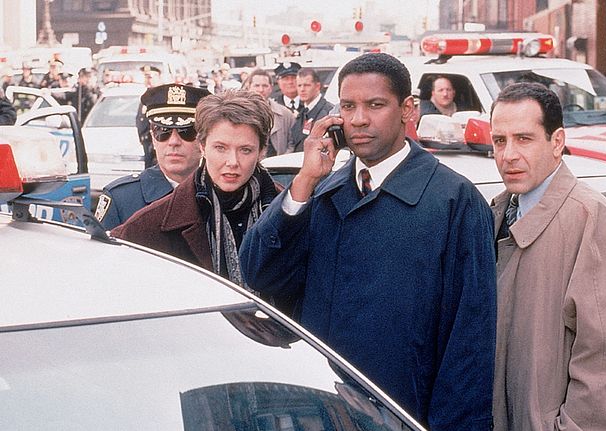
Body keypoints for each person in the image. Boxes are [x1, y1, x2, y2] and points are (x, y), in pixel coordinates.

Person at [239, 53, 496, 430]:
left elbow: (469, 341)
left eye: (375, 105)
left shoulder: (455, 201)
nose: (359, 119)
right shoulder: (321, 191)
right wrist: (304, 182)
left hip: (405, 418)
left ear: (407, 109)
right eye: (348, 106)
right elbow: (260, 274)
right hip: (320, 411)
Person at [490, 82, 606, 430]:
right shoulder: (498, 213)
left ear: (557, 141)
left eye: (524, 139)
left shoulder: (591, 218)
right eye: (499, 141)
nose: (508, 155)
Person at [112, 89, 277, 289]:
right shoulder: (146, 226)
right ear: (202, 146)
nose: (232, 162)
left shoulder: (286, 211)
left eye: (245, 150)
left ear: (262, 151)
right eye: (220, 148)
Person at [95, 83, 211, 230]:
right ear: (153, 139)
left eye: (186, 131)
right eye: (163, 132)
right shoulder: (121, 198)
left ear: (203, 140)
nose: (173, 142)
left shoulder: (222, 193)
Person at [242, 68, 295, 156]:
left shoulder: (285, 114)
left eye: (265, 86)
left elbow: (293, 143)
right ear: (249, 87)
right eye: (256, 85)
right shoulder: (239, 113)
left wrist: (283, 160)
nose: (261, 90)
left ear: (271, 88)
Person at [287, 67, 333, 152]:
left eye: (307, 85)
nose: (302, 89)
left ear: (317, 86)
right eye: (299, 85)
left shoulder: (329, 112)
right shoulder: (303, 113)